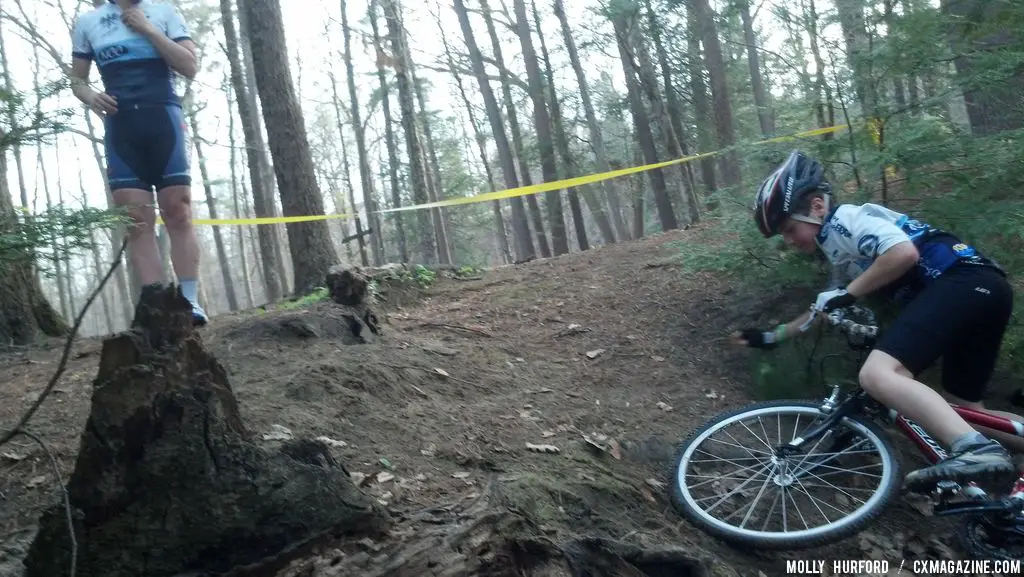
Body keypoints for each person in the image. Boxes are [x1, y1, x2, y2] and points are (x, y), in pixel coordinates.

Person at [735, 149, 1021, 491]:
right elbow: (824, 308)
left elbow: (903, 253)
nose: (788, 240)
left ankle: (974, 450)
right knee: (967, 410)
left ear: (816, 206)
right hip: (983, 289)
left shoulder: (846, 220)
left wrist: (850, 293)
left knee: (877, 374)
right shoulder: (836, 248)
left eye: (789, 229)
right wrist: (771, 337)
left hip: (961, 282)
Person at [69, 0, 207, 325]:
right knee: (136, 221)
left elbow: (189, 66)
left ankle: (190, 301)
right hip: (121, 127)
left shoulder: (164, 12)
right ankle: (156, 307)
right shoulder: (89, 22)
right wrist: (90, 97)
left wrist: (148, 29)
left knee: (179, 211)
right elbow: (77, 80)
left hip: (163, 118)